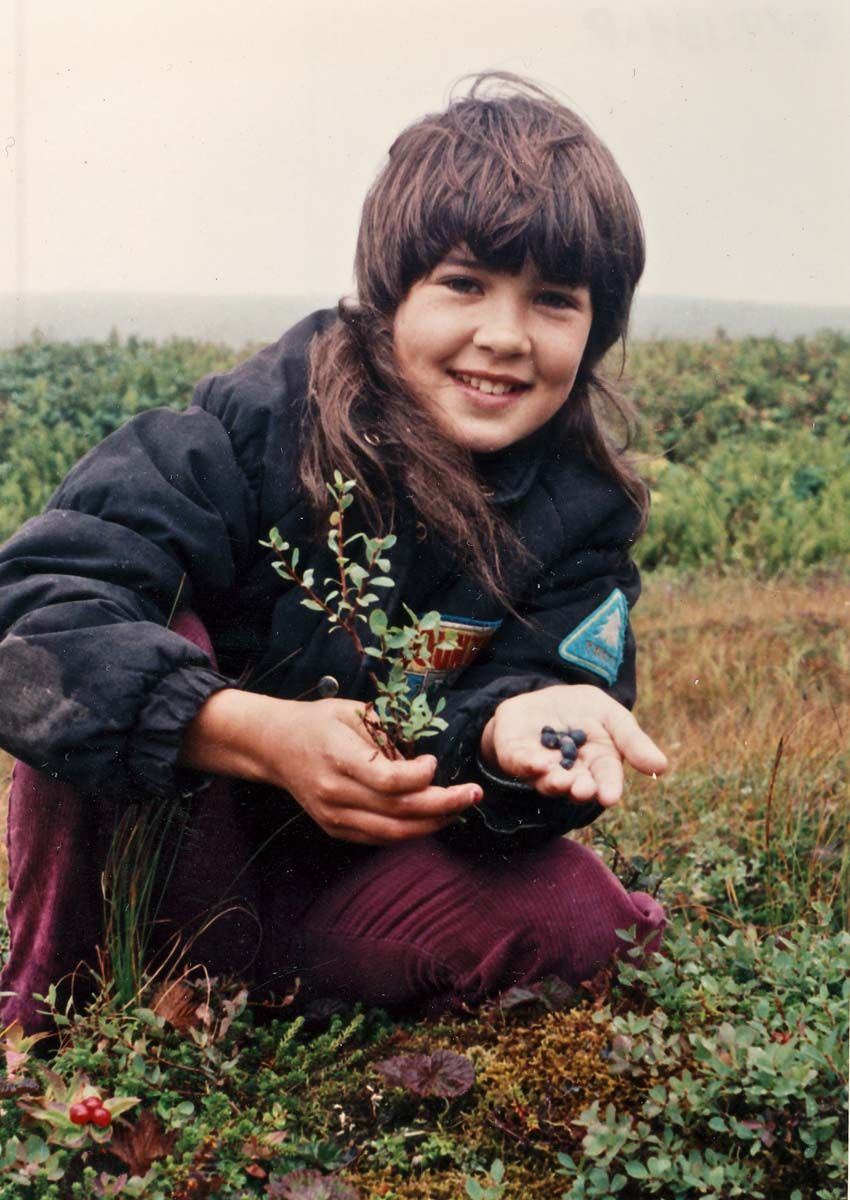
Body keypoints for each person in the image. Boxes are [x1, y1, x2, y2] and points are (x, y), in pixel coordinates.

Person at [0, 74, 668, 1035]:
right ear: (390, 294)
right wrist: (260, 734)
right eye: (465, 283)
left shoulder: (583, 514)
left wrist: (511, 732)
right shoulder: (249, 427)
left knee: (586, 921)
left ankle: (253, 1012)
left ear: (594, 330)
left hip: (354, 891)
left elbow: (526, 734)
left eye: (555, 301)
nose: (505, 337)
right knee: (125, 639)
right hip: (174, 859)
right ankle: (43, 1028)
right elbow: (35, 622)